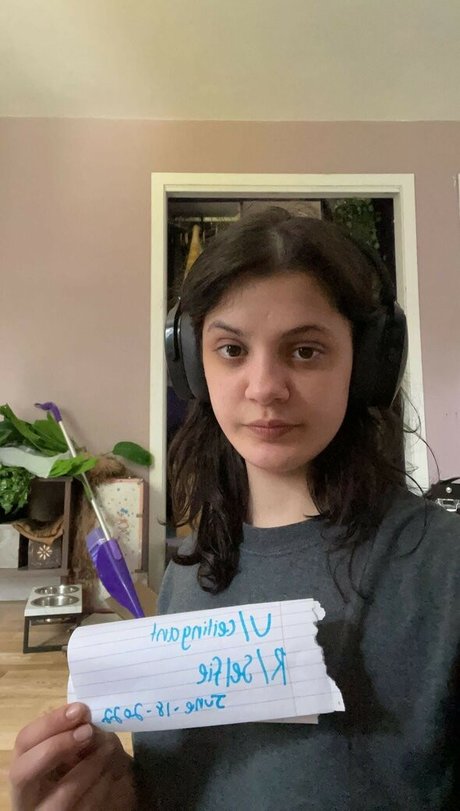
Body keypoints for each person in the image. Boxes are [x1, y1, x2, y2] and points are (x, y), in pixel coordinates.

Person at [9, 209, 459, 810]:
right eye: (231, 349)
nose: (264, 386)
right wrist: (124, 794)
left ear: (368, 364)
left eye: (305, 351)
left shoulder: (444, 569)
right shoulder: (188, 575)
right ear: (194, 366)